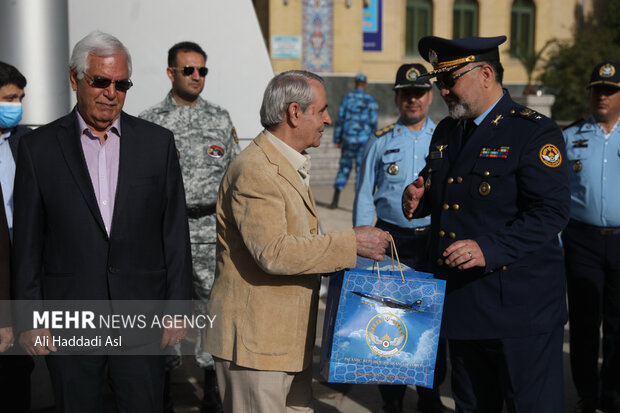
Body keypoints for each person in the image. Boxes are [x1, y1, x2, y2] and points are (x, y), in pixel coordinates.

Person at [11, 31, 192, 412]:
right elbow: (27, 245)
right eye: (101, 81)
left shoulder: (157, 144)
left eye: (121, 83)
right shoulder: (38, 149)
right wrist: (29, 319)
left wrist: (177, 306)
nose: (112, 92)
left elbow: (174, 234)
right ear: (74, 78)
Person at [203, 70, 391, 413]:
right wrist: (351, 243)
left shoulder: (286, 164)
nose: (328, 119)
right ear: (294, 113)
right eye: (321, 110)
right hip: (256, 347)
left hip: (284, 343)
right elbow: (274, 253)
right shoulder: (257, 170)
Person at [402, 35, 570, 412]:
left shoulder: (532, 131)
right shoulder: (447, 131)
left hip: (520, 310)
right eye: (439, 82)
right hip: (464, 305)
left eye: (451, 80)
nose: (443, 90)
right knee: (474, 405)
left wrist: (487, 248)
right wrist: (419, 197)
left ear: (486, 74)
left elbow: (551, 211)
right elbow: (447, 189)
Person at [140, 40, 238, 413]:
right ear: (171, 73)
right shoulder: (151, 121)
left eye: (202, 71)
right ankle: (162, 387)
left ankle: (212, 390)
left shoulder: (219, 117)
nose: (197, 77)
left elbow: (236, 174)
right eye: (189, 70)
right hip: (166, 232)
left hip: (210, 230)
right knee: (166, 308)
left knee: (214, 311)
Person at [354, 63, 446, 413]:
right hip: (389, 242)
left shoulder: (443, 139)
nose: (413, 100)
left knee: (430, 321)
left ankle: (429, 395)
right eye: (406, 94)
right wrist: (362, 251)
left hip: (430, 241)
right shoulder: (380, 140)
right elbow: (364, 194)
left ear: (429, 95)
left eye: (419, 93)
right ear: (396, 97)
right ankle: (391, 399)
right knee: (386, 319)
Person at [562, 61, 620, 413]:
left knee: (618, 323)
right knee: (585, 323)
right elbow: (556, 195)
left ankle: (612, 392)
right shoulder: (570, 137)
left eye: (610, 90)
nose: (602, 96)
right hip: (581, 240)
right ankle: (587, 392)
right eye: (597, 89)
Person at [0, 61, 34, 413]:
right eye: (9, 98)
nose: (17, 106)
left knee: (16, 366)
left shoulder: (25, 142)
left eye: (20, 98)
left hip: (19, 264)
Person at [329, 73, 378, 209]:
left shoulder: (347, 99)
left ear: (355, 84)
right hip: (364, 141)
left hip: (348, 139)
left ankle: (335, 201)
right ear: (365, 85)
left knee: (344, 168)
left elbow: (340, 120)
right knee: (360, 171)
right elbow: (374, 123)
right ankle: (359, 204)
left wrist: (337, 138)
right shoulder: (370, 100)